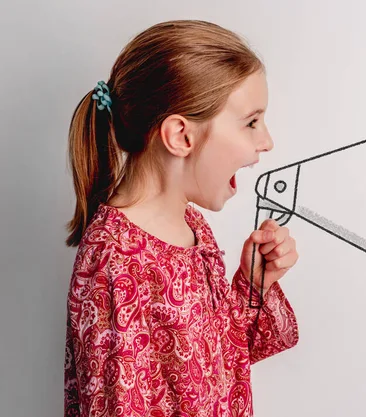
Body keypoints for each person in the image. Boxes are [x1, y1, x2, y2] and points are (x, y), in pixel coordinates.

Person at [63, 20, 299, 417]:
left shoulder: (193, 227)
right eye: (251, 122)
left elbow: (219, 361)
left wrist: (255, 282)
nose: (267, 141)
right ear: (181, 137)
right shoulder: (115, 265)